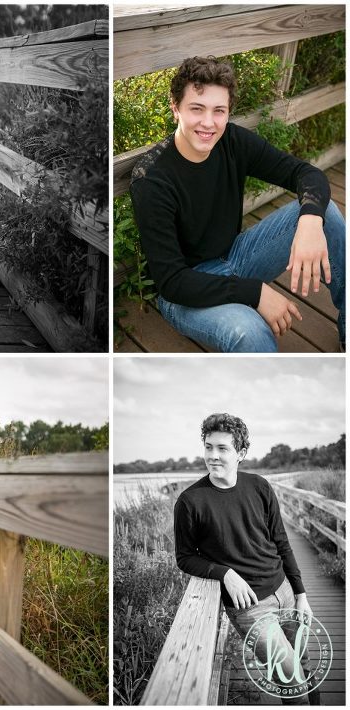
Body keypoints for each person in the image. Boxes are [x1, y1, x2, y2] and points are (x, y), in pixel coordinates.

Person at [130, 56, 345, 352]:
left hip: (236, 256)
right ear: (175, 109)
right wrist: (255, 293)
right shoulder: (152, 180)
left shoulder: (232, 141)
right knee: (249, 331)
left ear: (228, 112)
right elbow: (172, 282)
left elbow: (305, 174)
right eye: (197, 109)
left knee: (323, 212)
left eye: (219, 111)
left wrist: (310, 221)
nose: (208, 123)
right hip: (183, 292)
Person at [174, 414, 316, 705]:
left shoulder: (259, 486)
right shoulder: (190, 501)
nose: (212, 456)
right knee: (293, 683)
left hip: (284, 590)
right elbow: (185, 557)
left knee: (305, 668)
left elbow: (281, 542)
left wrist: (301, 594)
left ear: (241, 453)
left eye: (222, 448)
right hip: (249, 608)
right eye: (208, 447)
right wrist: (224, 573)